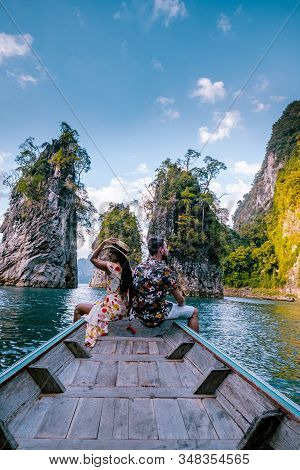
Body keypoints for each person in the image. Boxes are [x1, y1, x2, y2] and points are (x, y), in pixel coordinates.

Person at [73, 237, 133, 347]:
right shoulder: (129, 270)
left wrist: (103, 243)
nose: (109, 255)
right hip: (123, 310)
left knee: (78, 308)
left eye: (111, 253)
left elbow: (93, 259)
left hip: (112, 309)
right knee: (95, 307)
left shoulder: (112, 267)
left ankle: (75, 337)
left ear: (117, 255)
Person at [132, 236, 199, 332]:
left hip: (139, 314)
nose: (167, 250)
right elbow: (179, 300)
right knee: (194, 312)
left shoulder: (139, 267)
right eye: (166, 247)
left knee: (167, 304)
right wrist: (182, 302)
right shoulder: (165, 270)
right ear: (161, 250)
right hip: (155, 316)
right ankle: (195, 344)